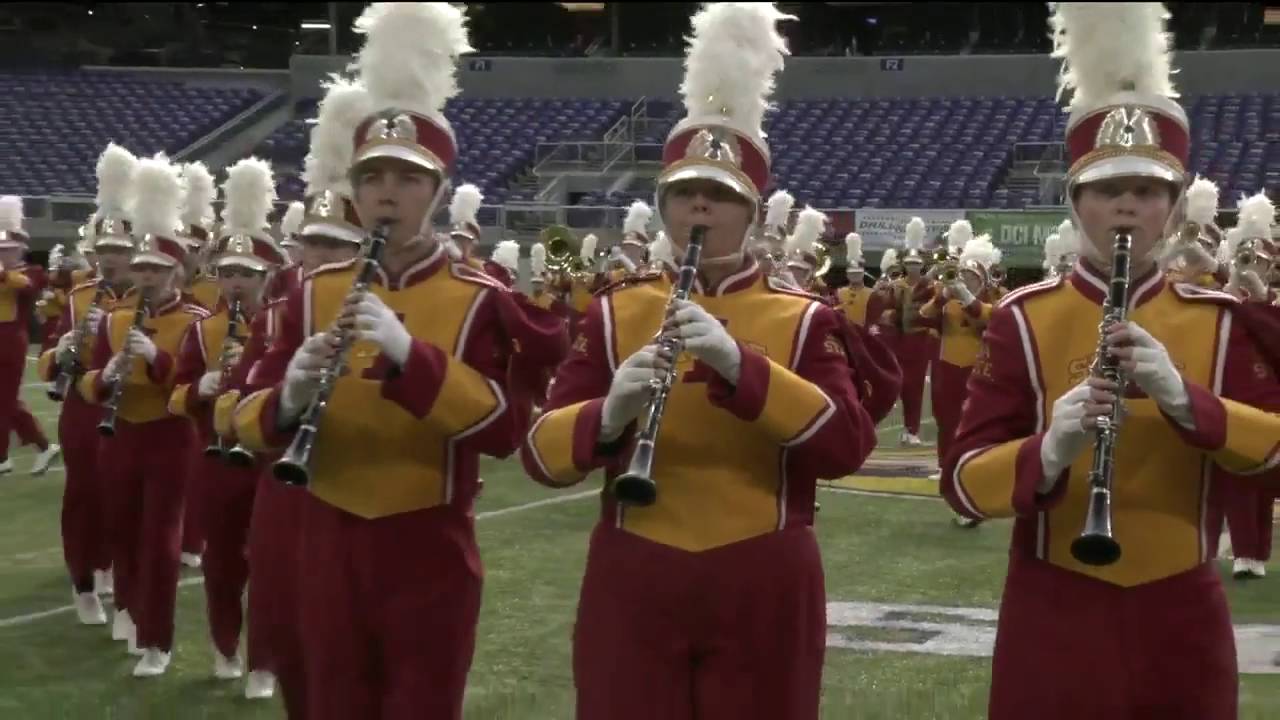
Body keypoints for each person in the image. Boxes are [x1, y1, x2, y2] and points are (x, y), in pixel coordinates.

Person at [521, 4, 875, 718]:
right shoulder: (616, 311)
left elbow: (845, 446)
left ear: (751, 213)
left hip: (765, 568)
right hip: (634, 565)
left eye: (721, 197)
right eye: (686, 195)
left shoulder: (805, 317)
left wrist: (743, 368)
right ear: (663, 208)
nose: (701, 212)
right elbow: (540, 455)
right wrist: (610, 411)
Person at [941, 4, 1280, 717]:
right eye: (1107, 190)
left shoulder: (1219, 321)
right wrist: (1052, 446)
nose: (1127, 206)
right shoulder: (1022, 319)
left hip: (1182, 601)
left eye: (1148, 190)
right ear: (1076, 203)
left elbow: (1272, 455)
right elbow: (965, 486)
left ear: (1173, 206)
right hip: (1052, 600)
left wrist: (1188, 400)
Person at [232, 4, 564, 716]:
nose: (387, 190)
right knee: (327, 699)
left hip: (429, 536)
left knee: (421, 702)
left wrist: (410, 356)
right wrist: (288, 396)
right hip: (323, 528)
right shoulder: (311, 289)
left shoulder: (482, 297)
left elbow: (506, 431)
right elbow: (242, 417)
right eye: (373, 175)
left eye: (408, 178)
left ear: (436, 192)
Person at [81, 155, 208, 677]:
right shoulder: (112, 318)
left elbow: (189, 386)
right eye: (143, 268)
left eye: (158, 269)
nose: (148, 276)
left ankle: (159, 639)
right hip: (121, 434)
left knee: (159, 539)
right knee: (122, 529)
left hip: (170, 437)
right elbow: (87, 385)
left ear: (177, 270)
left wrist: (156, 359)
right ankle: (131, 610)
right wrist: (108, 373)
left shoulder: (196, 321)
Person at [170, 157, 285, 692]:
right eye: (228, 273)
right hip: (214, 460)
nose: (236, 282)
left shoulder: (287, 324)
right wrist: (200, 389)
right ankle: (224, 647)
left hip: (270, 459)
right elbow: (174, 396)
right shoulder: (199, 330)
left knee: (269, 562)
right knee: (220, 563)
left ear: (266, 277)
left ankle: (264, 659)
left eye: (247, 274)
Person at [36, 144, 140, 624]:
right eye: (104, 251)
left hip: (129, 406)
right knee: (82, 493)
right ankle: (83, 580)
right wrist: (60, 352)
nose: (111, 259)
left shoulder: (148, 296)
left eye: (120, 251)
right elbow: (50, 358)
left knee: (123, 497)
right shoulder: (78, 295)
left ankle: (114, 569)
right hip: (80, 405)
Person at [0, 195, 60, 476]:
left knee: (5, 401)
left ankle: (2, 458)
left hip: (11, 341)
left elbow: (26, 287)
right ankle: (42, 445)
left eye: (8, 249)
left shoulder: (32, 271)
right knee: (8, 401)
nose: (3, 253)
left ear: (20, 249)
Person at [874, 217, 936, 447]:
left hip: (919, 342)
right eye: (909, 264)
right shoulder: (895, 285)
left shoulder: (930, 287)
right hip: (897, 340)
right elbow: (882, 311)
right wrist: (886, 306)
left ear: (922, 265)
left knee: (915, 387)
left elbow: (934, 312)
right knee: (891, 383)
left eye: (916, 264)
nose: (912, 267)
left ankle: (912, 430)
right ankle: (872, 423)